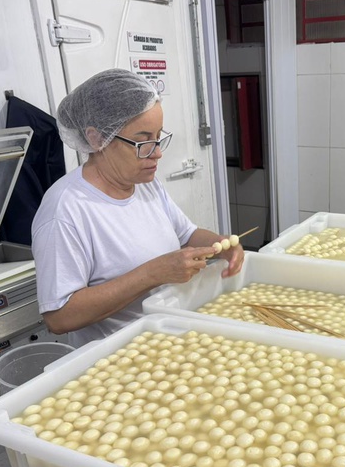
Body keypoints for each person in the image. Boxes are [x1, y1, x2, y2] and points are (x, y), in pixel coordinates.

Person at [32, 68, 244, 348]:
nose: (157, 153)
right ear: (96, 139)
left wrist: (221, 244)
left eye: (158, 138)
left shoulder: (144, 183)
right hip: (121, 357)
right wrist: (152, 274)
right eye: (143, 142)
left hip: (170, 339)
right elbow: (59, 317)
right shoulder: (66, 210)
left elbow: (188, 234)